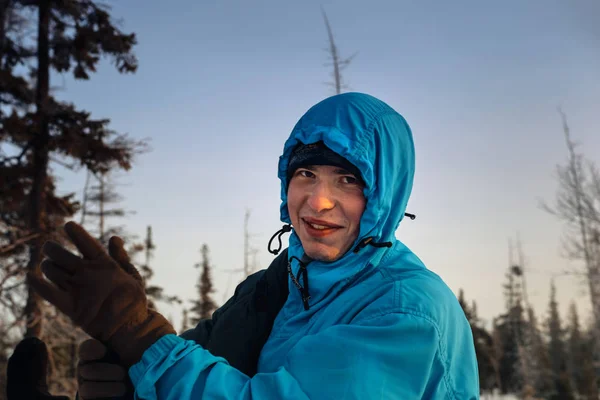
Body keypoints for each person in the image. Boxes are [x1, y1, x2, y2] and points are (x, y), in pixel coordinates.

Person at [27, 92, 480, 399]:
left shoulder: (404, 310)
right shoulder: (283, 283)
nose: (318, 201)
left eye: (347, 180)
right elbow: (209, 354)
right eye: (306, 175)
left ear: (384, 196)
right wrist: (131, 371)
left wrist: (141, 337)